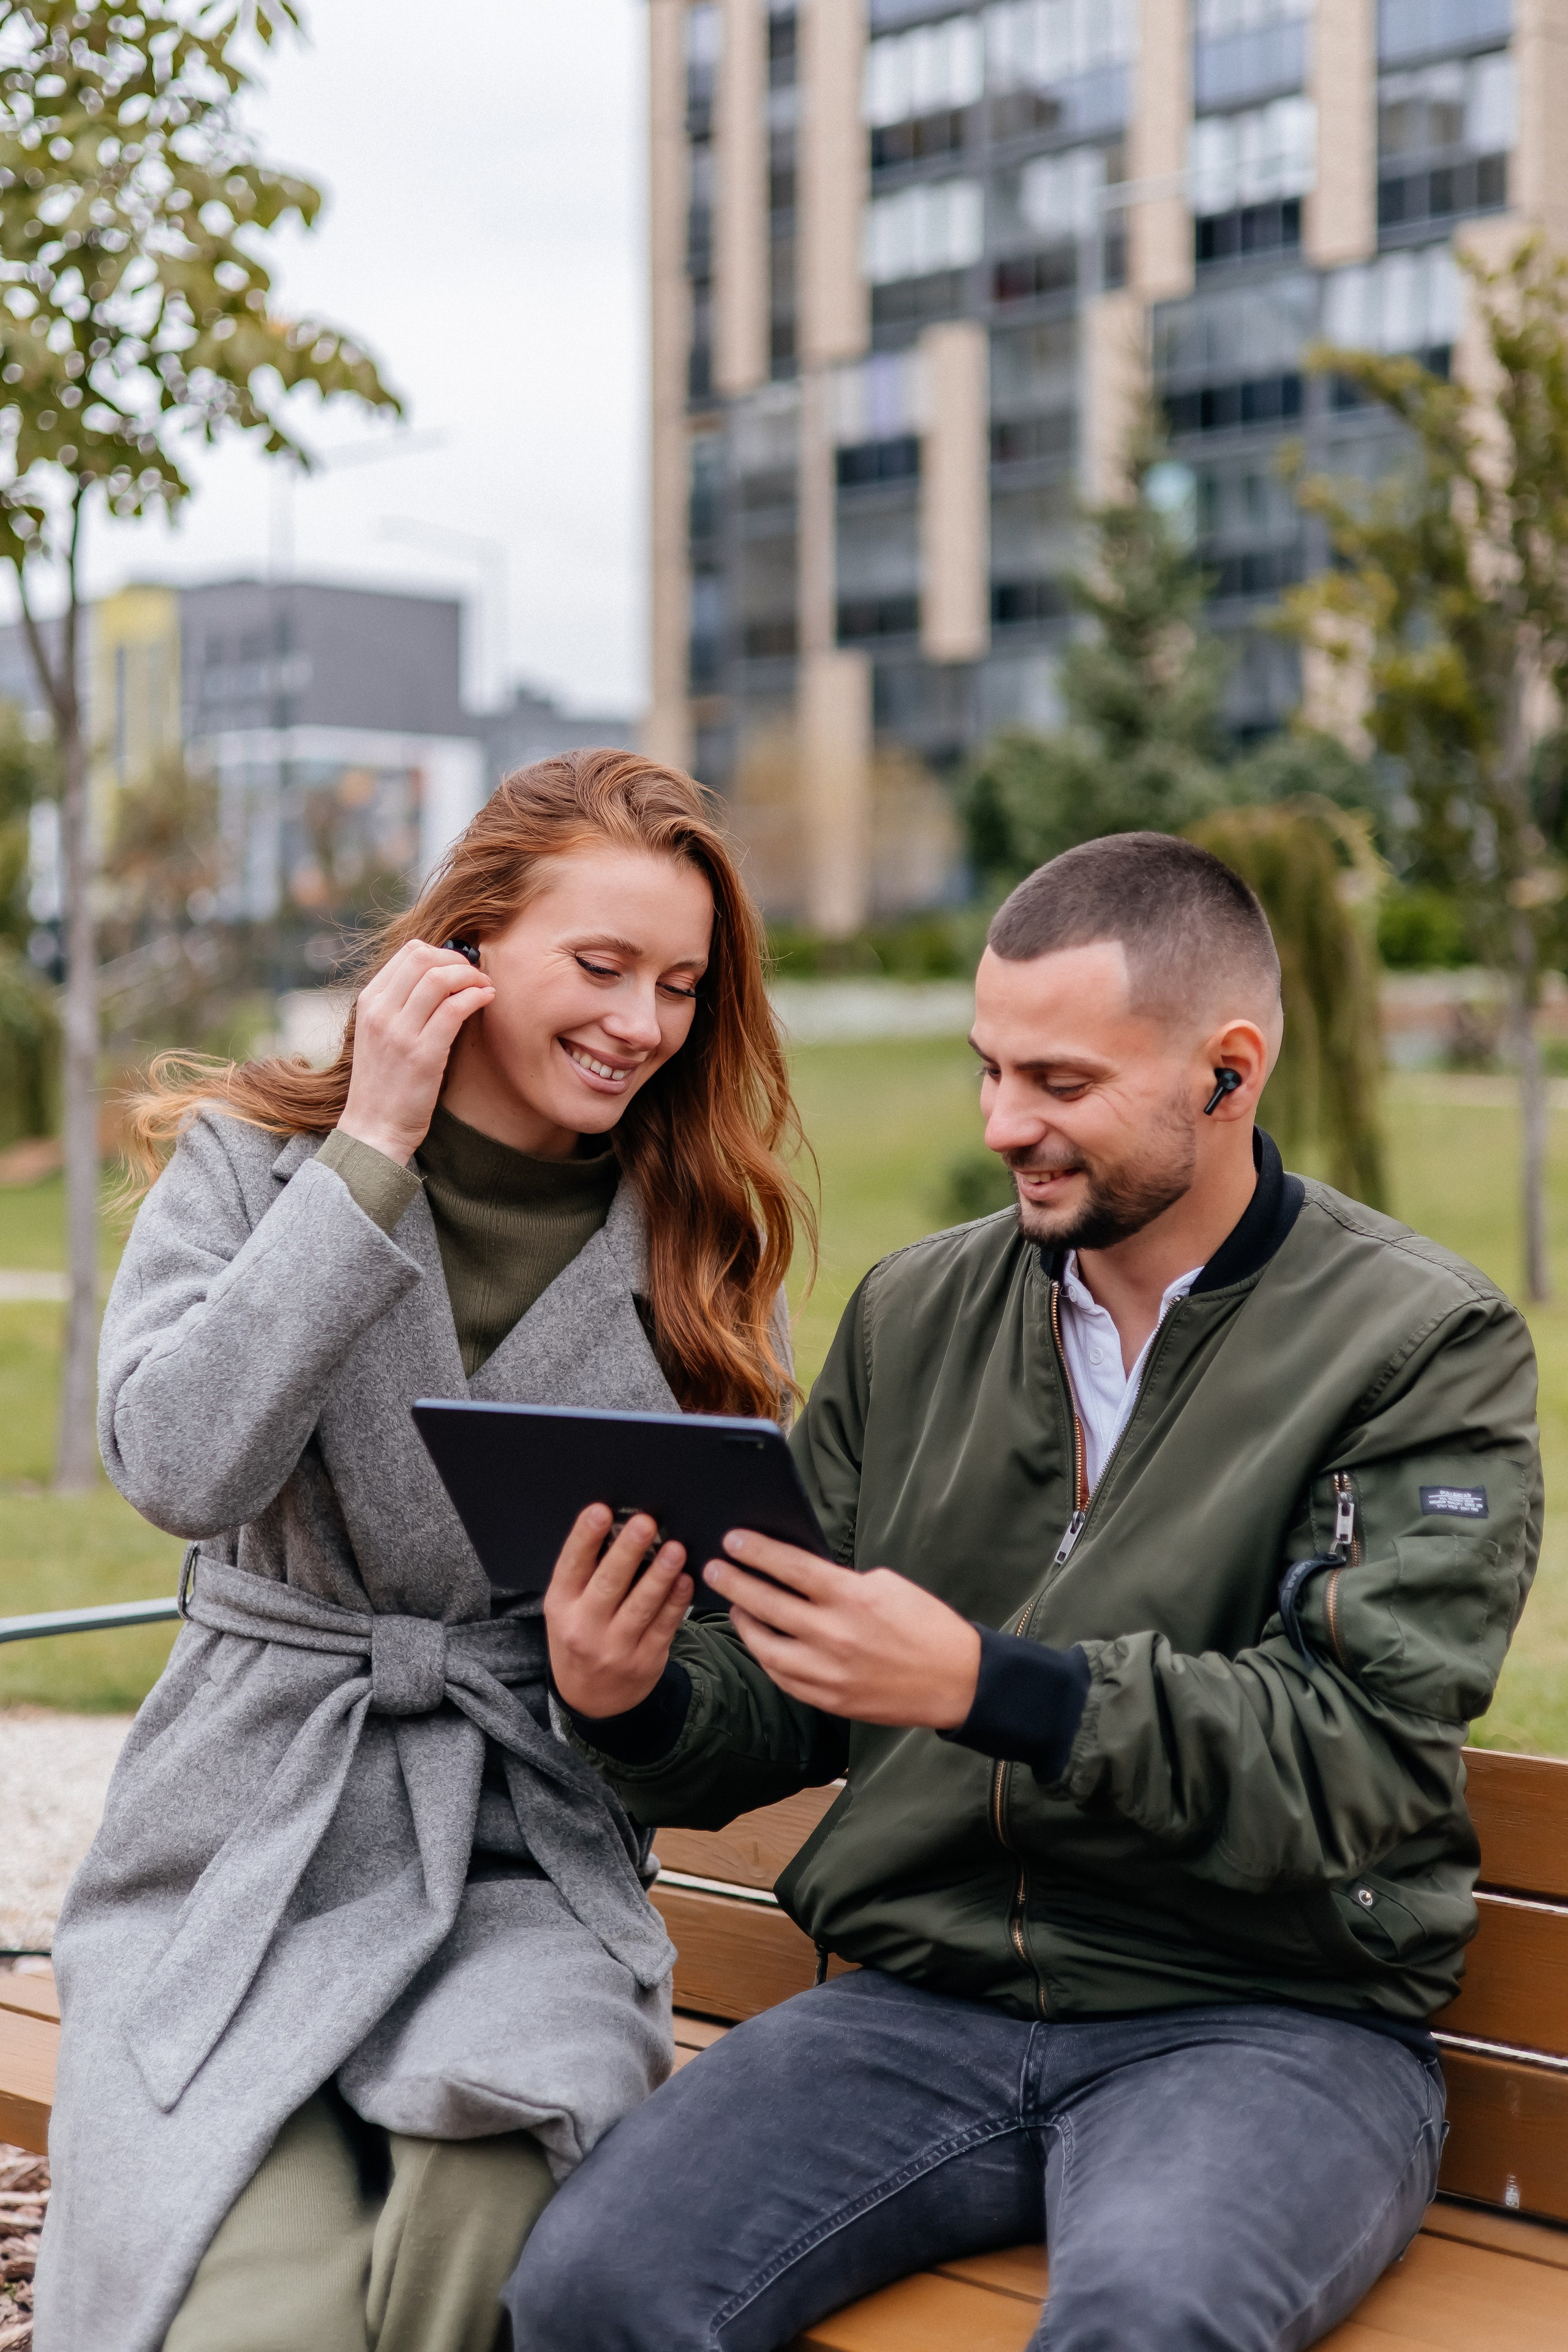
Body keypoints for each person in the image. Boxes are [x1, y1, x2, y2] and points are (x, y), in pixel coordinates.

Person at [505, 831, 1541, 2352]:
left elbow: (1361, 1762)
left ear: (1225, 1072)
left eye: (1058, 1084)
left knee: (1143, 2326)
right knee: (586, 2294)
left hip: (1262, 2023)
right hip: (917, 2001)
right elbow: (780, 1695)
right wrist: (634, 1694)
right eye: (989, 1069)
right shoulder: (915, 1310)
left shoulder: (1417, 1348)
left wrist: (995, 1689)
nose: (1003, 1124)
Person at [33, 750, 808, 2352]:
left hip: (526, 1855)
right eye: (599, 968)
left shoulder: (701, 1245)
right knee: (256, 2316)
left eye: (679, 984)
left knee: (479, 2247)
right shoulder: (255, 1162)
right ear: (466, 947)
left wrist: (626, 1690)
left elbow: (749, 1617)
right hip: (251, 1835)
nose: (641, 1024)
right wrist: (368, 1150)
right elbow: (178, 1463)